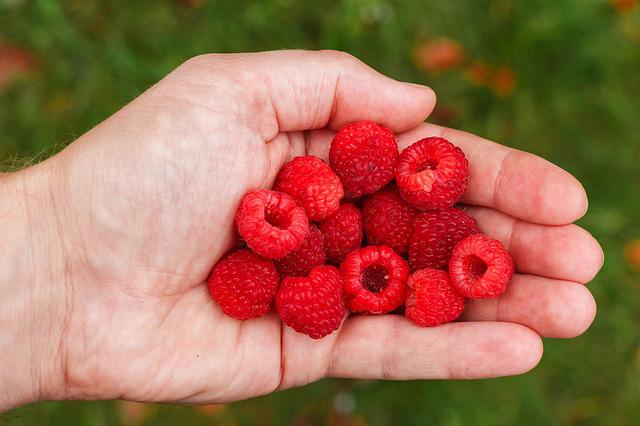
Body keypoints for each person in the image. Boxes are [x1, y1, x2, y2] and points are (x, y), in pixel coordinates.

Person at [0, 50, 603, 412]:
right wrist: (59, 235)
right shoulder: (310, 236)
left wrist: (54, 245)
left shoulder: (383, 228)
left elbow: (366, 235)